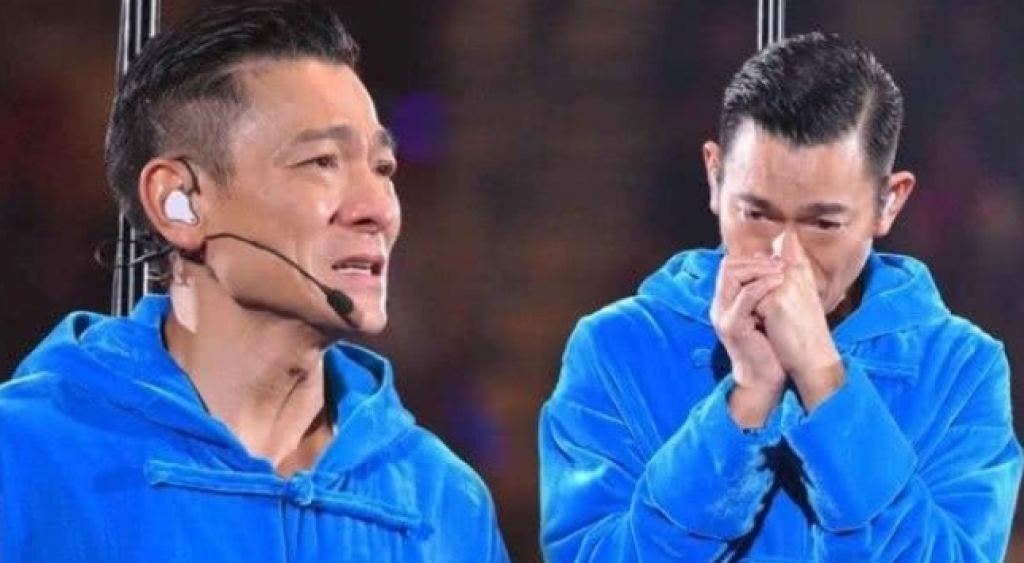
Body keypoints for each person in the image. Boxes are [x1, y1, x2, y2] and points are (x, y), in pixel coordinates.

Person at [0, 2, 508, 561]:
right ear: (180, 202)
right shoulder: (26, 462)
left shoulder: (441, 502)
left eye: (382, 168)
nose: (378, 209)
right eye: (321, 161)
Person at [539, 32, 1022, 562]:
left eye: (823, 224)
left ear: (889, 202)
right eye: (756, 214)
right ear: (715, 177)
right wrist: (746, 400)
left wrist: (823, 379)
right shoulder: (616, 349)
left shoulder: (960, 368)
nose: (785, 256)